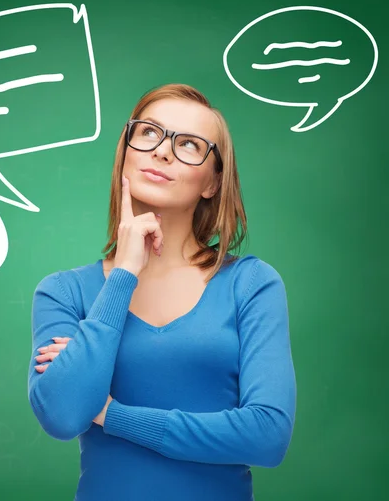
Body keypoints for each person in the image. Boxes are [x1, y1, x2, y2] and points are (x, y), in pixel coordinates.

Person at [28, 83, 297, 501]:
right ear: (127, 150)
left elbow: (267, 435)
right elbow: (63, 415)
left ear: (212, 182)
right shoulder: (64, 292)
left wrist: (111, 414)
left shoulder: (251, 284)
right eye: (149, 132)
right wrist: (124, 274)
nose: (163, 151)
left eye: (189, 144)